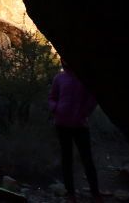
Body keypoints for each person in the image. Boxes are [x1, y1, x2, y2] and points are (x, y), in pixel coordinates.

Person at [48, 60, 103, 203]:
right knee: (66, 159)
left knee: (87, 159)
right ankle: (70, 194)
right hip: (62, 125)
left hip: (80, 125)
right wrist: (56, 108)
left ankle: (95, 193)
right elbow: (52, 97)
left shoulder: (84, 78)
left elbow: (92, 99)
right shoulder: (59, 78)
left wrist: (84, 113)